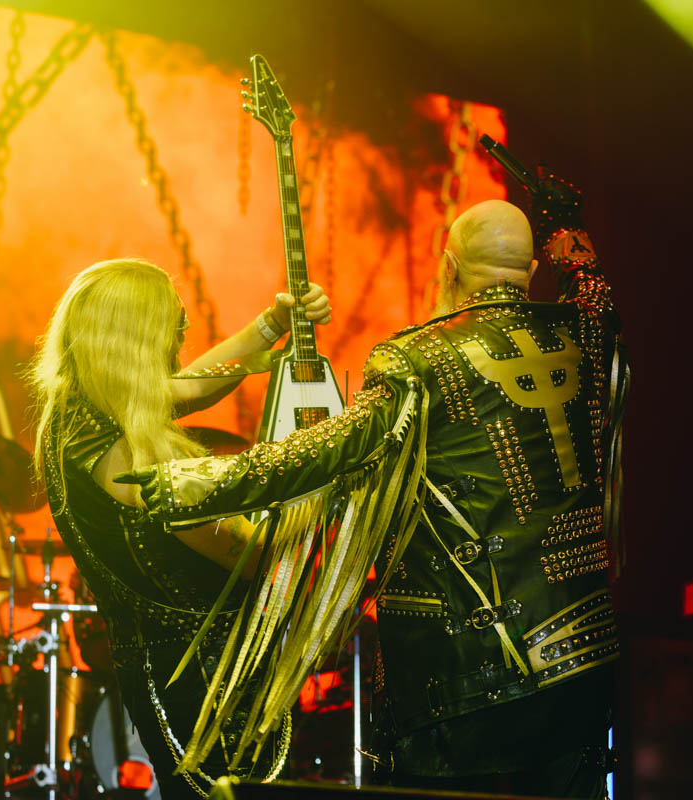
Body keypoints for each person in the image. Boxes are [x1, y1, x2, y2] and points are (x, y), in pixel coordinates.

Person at [120, 179, 627, 797]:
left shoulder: (417, 359)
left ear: (448, 267)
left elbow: (327, 451)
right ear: (530, 271)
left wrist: (195, 480)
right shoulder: (590, 335)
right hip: (584, 663)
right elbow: (594, 290)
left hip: (462, 676)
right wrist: (567, 233)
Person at [27, 258, 332, 799]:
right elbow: (254, 558)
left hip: (164, 669)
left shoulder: (76, 415)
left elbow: (185, 387)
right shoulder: (134, 458)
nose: (183, 337)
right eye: (173, 325)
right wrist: (321, 479)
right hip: (203, 683)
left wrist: (271, 325)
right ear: (138, 341)